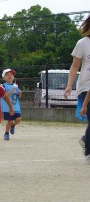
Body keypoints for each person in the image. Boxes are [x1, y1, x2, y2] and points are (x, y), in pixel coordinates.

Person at [64, 15, 90, 161]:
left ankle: (86, 139)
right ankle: (88, 150)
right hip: (86, 85)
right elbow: (75, 66)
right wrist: (69, 85)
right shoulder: (82, 43)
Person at [0, 68, 22, 140]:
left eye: (11, 75)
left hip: (16, 106)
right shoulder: (3, 86)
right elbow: (4, 95)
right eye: (7, 75)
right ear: (4, 77)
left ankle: (13, 125)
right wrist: (12, 90)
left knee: (18, 119)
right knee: (9, 121)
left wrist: (19, 93)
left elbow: (19, 96)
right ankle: (6, 133)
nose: (10, 76)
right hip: (8, 107)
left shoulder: (16, 85)